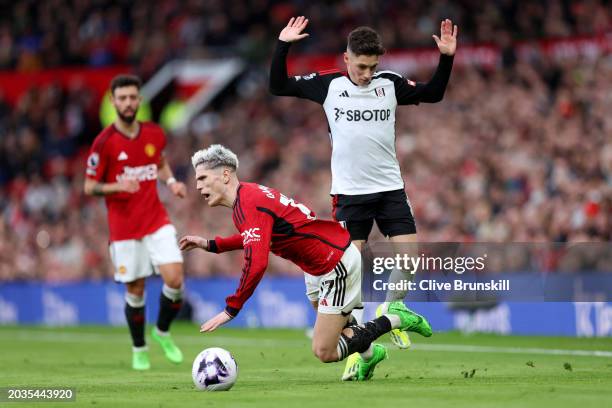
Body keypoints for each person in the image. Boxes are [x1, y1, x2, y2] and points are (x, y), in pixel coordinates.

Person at [269, 16, 457, 369]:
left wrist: (446, 58)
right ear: (346, 59)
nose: (368, 73)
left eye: (373, 66)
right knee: (347, 277)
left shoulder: (390, 84)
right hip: (350, 197)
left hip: (389, 189)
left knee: (408, 259)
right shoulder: (328, 86)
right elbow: (278, 86)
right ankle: (364, 353)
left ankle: (390, 308)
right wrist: (283, 46)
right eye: (362, 66)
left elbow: (434, 94)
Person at [179, 144, 432, 381]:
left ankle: (395, 318)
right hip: (314, 263)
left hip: (335, 262)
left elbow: (256, 263)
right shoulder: (248, 197)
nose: (198, 187)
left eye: (202, 178)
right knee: (335, 322)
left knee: (325, 350)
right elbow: (256, 235)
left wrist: (231, 309)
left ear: (224, 175)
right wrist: (211, 245)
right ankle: (368, 354)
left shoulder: (249, 202)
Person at [84, 74, 187, 370]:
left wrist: (171, 182)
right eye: (122, 98)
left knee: (175, 279)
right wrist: (118, 187)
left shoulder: (154, 133)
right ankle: (139, 348)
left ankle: (163, 332)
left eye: (133, 97)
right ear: (113, 101)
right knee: (136, 290)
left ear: (140, 100)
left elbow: (160, 161)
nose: (128, 103)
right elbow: (89, 187)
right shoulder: (103, 144)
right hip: (124, 230)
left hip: (156, 220)